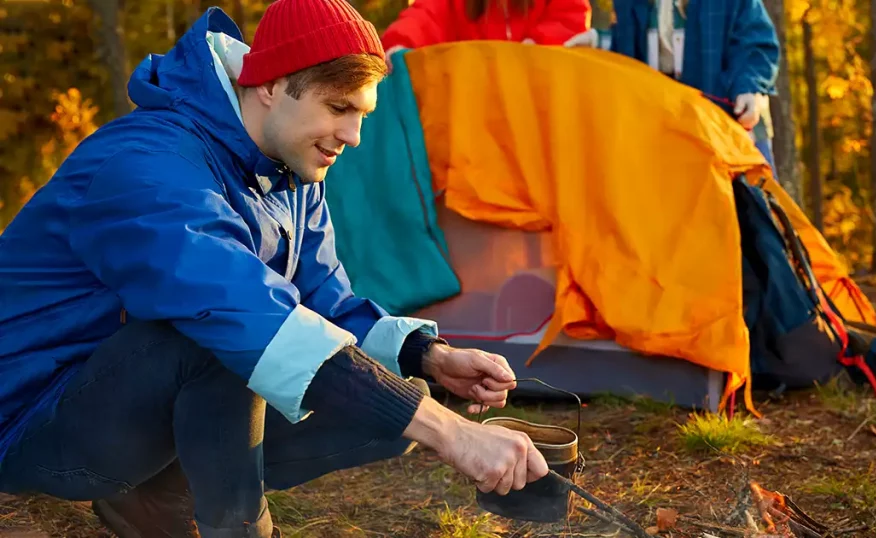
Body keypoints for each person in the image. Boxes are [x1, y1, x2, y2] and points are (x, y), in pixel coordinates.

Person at [0, 1, 549, 536]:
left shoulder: (289, 173)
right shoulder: (148, 166)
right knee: (222, 339)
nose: (354, 136)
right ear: (269, 85)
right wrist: (453, 434)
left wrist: (428, 357)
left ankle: (155, 492)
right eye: (339, 109)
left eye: (362, 114)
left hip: (130, 400)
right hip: (35, 420)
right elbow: (244, 318)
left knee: (389, 406)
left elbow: (325, 304)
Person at [569, 0, 779, 176]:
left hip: (735, 124)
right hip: (672, 133)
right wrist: (599, 41)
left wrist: (749, 88)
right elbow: (630, 46)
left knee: (756, 215)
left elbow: (757, 42)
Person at [379, 0, 592, 67]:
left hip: (539, 113)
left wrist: (533, 48)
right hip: (476, 118)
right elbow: (425, 16)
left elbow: (570, 17)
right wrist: (399, 45)